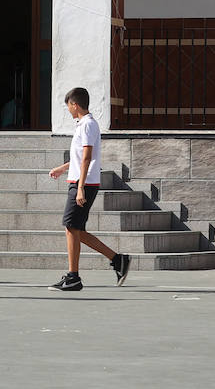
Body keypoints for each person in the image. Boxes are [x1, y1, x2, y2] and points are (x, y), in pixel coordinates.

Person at [49, 87, 131, 291]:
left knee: (71, 228)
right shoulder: (85, 125)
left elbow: (87, 157)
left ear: (75, 105)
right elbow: (80, 158)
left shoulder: (87, 125)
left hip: (83, 183)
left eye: (68, 105)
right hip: (80, 181)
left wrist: (80, 188)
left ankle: (73, 277)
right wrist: (63, 168)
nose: (68, 109)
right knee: (78, 231)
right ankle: (117, 260)